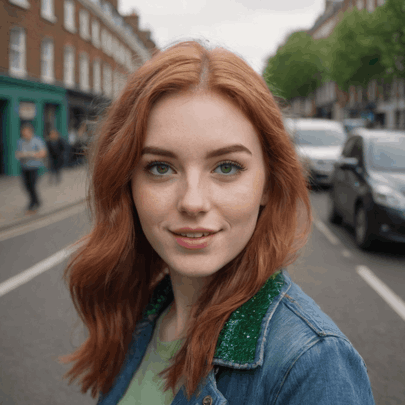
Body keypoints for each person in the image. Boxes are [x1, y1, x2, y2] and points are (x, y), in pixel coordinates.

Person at [59, 41, 375, 404]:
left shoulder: (313, 364)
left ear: (268, 184)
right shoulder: (141, 313)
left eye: (227, 167)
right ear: (127, 183)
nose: (192, 202)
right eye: (160, 168)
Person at [15, 123, 47, 214]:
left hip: (34, 167)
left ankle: (33, 203)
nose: (24, 134)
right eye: (23, 133)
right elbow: (18, 153)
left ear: (30, 132)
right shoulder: (20, 141)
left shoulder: (37, 141)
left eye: (26, 132)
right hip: (24, 167)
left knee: (32, 186)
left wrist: (31, 154)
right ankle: (37, 201)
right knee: (26, 186)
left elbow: (43, 153)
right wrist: (19, 155)